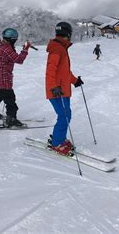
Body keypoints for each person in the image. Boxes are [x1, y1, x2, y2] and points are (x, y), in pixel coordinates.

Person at [45, 22, 84, 156]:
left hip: (62, 90)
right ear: (68, 34)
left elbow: (65, 72)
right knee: (64, 115)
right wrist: (53, 87)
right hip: (57, 91)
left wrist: (75, 80)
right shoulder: (57, 49)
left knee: (66, 114)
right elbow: (50, 71)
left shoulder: (61, 48)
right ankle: (57, 143)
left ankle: (59, 138)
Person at [0, 28, 31, 127]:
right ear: (12, 39)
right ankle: (11, 119)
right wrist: (25, 49)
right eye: (15, 39)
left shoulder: (2, 45)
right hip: (2, 78)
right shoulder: (7, 48)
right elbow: (19, 59)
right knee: (10, 99)